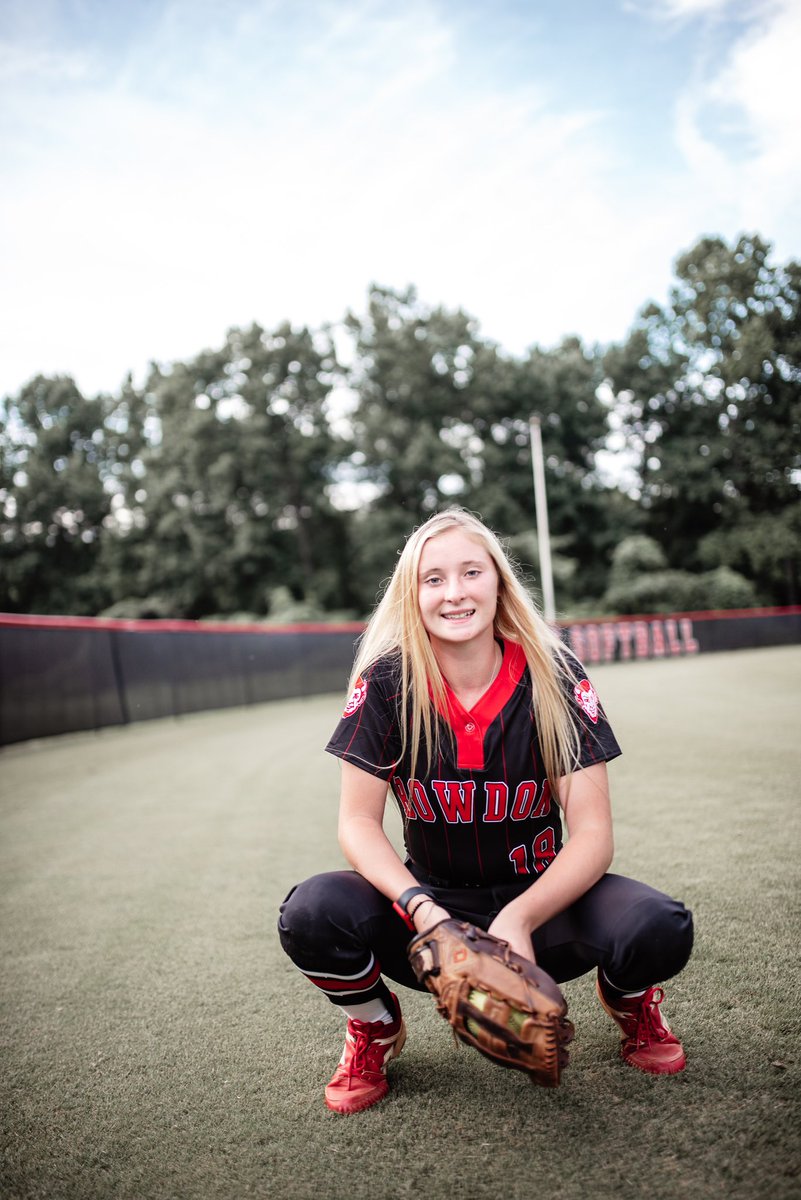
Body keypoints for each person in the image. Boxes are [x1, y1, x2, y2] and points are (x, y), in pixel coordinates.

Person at [278, 508, 693, 1114]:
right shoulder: (388, 683)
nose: (455, 592)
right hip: (434, 915)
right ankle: (373, 1025)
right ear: (412, 595)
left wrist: (521, 919)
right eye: (434, 578)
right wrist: (424, 912)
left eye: (471, 572)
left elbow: (594, 834)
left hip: (545, 907)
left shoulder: (553, 675)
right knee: (311, 913)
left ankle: (629, 1000)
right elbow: (357, 824)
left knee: (659, 927)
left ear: (498, 582)